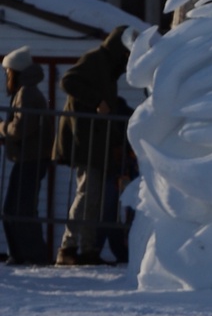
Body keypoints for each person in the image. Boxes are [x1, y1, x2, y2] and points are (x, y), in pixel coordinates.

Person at [54, 26, 131, 265]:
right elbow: (67, 81)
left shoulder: (107, 68)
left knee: (92, 198)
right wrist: (96, 101)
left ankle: (88, 250)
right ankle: (67, 248)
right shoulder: (95, 59)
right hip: (84, 141)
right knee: (86, 194)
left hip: (95, 144)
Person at [0, 46, 54, 264]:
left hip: (30, 159)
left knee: (18, 209)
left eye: (7, 71)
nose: (6, 75)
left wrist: (2, 127)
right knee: (17, 208)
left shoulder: (27, 93)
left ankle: (30, 255)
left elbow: (21, 128)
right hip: (30, 158)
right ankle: (20, 254)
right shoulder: (27, 91)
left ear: (16, 71)